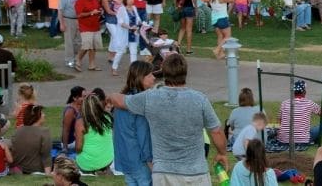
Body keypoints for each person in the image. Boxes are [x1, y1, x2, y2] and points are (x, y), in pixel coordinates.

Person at [108, 54, 228, 183]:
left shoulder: (150, 98)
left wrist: (109, 96)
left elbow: (119, 100)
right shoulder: (200, 99)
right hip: (195, 172)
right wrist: (222, 153)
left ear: (163, 72)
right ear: (185, 72)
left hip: (163, 173)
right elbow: (216, 131)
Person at [113, 61, 154, 186]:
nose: (154, 77)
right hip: (140, 161)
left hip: (125, 159)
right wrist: (150, 163)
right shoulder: (138, 103)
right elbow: (144, 136)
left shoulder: (122, 100)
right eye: (150, 75)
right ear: (141, 77)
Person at [276, 79, 322, 146]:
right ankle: (313, 140)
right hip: (302, 141)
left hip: (284, 141)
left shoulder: (284, 103)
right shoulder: (309, 103)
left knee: (311, 129)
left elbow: (279, 120)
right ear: (304, 92)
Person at [74, 93, 114, 174]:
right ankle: (102, 169)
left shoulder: (80, 123)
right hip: (107, 160)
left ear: (84, 107)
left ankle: (95, 169)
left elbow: (78, 148)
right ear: (99, 105)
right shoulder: (108, 117)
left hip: (86, 164)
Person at [11, 104, 52, 174]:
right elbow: (46, 156)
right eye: (42, 113)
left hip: (18, 169)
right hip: (36, 170)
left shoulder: (17, 131)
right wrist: (47, 174)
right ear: (37, 116)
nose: (44, 115)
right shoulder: (44, 132)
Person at [74, 0, 104, 72]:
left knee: (93, 46)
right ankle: (78, 60)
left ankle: (92, 64)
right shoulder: (80, 1)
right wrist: (91, 13)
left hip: (95, 26)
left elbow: (97, 7)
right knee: (86, 45)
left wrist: (100, 11)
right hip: (85, 26)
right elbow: (79, 14)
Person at [61, 86, 85, 154]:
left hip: (77, 139)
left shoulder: (81, 106)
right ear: (75, 98)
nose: (85, 98)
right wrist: (65, 148)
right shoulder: (70, 111)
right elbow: (66, 130)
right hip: (70, 143)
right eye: (83, 96)